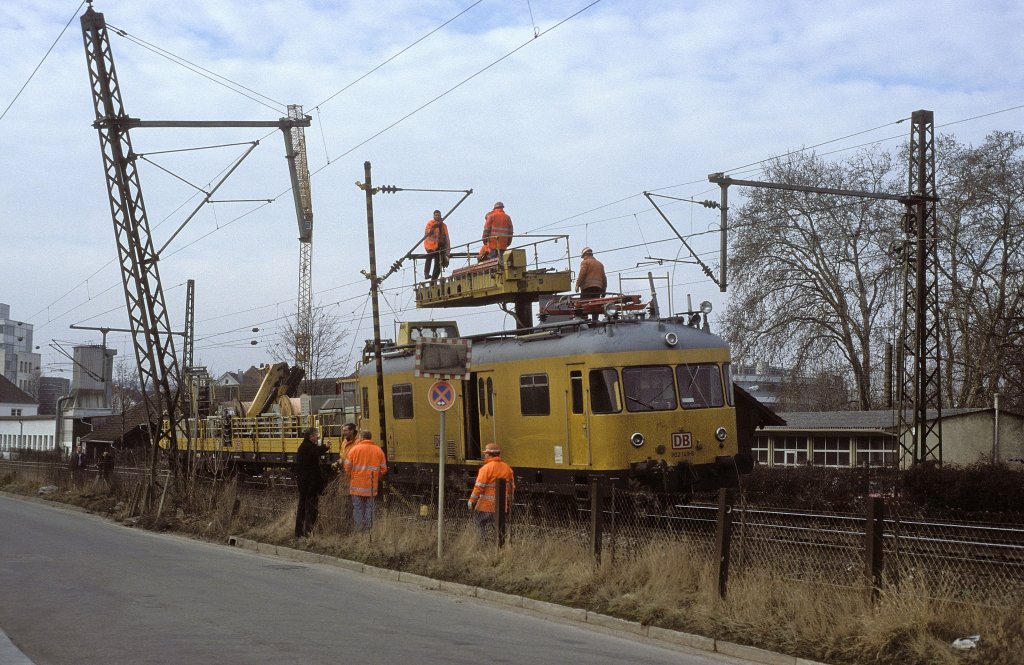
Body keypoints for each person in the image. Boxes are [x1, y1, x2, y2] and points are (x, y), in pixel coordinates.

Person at [343, 430, 388, 531]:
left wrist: (351, 476)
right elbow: (384, 469)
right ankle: (368, 530)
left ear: (361, 438)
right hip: (371, 486)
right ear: (370, 438)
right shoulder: (378, 450)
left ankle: (359, 530)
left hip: (356, 486)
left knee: (358, 508)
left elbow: (347, 466)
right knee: (369, 508)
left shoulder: (354, 449)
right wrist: (376, 476)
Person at [468, 442, 515, 538]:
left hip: (486, 505)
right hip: (502, 506)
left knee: (479, 522)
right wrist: (509, 502)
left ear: (489, 455)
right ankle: (499, 546)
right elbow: (511, 487)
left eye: (485, 453)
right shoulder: (507, 468)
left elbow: (479, 487)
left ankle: (481, 543)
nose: (484, 455)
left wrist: (471, 501)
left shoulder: (486, 469)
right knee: (499, 527)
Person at [294, 427, 328, 538]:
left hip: (306, 484)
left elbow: (314, 452)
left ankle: (301, 532)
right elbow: (315, 452)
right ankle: (306, 531)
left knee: (304, 507)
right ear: (311, 436)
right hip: (309, 484)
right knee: (309, 508)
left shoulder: (305, 446)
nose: (317, 437)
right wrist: (325, 447)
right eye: (316, 435)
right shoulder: (306, 447)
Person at [423, 210, 450, 283]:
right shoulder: (430, 223)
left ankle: (434, 279)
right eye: (436, 215)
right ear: (433, 216)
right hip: (430, 246)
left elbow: (447, 237)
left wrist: (447, 250)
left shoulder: (443, 225)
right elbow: (427, 233)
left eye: (438, 215)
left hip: (439, 246)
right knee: (429, 257)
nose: (437, 216)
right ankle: (426, 273)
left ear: (440, 216)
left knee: (438, 263)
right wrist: (433, 227)